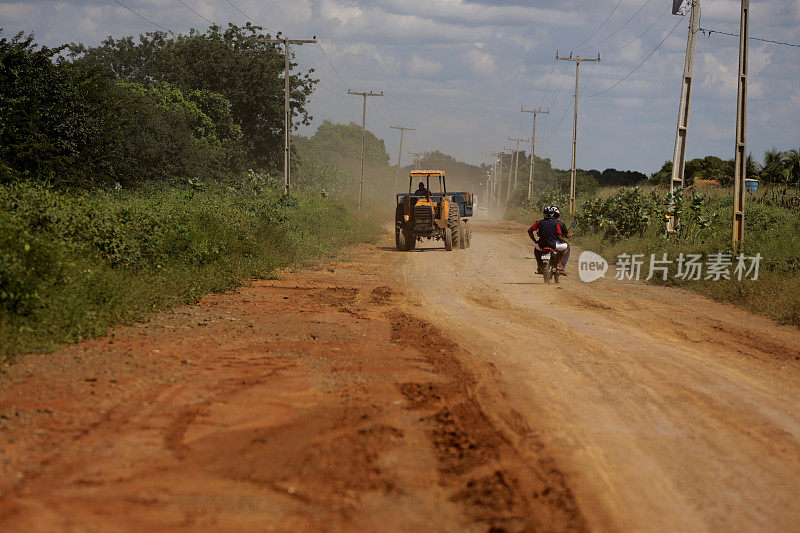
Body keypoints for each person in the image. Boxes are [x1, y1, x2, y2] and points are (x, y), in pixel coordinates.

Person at [527, 205, 572, 275]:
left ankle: (539, 265)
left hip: (541, 245)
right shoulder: (556, 224)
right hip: (553, 244)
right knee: (567, 246)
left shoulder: (539, 222)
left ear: (543, 214)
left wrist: (535, 241)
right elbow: (560, 237)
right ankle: (560, 265)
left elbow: (530, 231)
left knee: (536, 249)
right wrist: (565, 241)